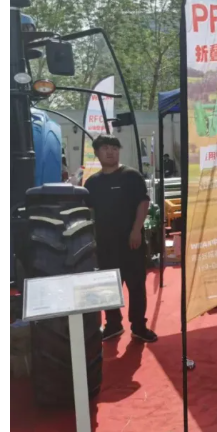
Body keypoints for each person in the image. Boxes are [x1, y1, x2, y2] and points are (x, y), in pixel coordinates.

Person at [84, 134, 158, 343]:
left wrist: (136, 230)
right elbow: (89, 212)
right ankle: (113, 324)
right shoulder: (92, 183)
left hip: (131, 243)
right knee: (109, 287)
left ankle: (139, 326)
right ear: (97, 153)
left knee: (136, 286)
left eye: (114, 148)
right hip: (105, 245)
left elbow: (143, 203)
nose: (110, 152)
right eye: (105, 148)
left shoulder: (131, 176)